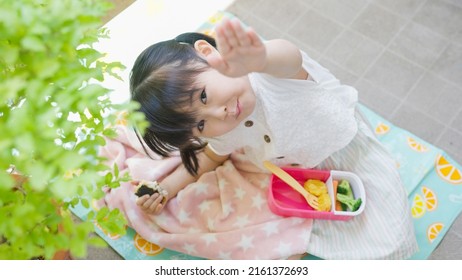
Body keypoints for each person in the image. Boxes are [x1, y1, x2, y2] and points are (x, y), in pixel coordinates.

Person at [129, 17, 418, 259]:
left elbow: (289, 57)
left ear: (207, 52)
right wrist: (165, 188)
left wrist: (260, 58)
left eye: (203, 95)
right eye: (202, 124)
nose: (222, 114)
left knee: (391, 244)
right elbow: (210, 156)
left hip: (348, 151)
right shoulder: (227, 126)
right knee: (290, 241)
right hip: (302, 175)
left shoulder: (269, 76)